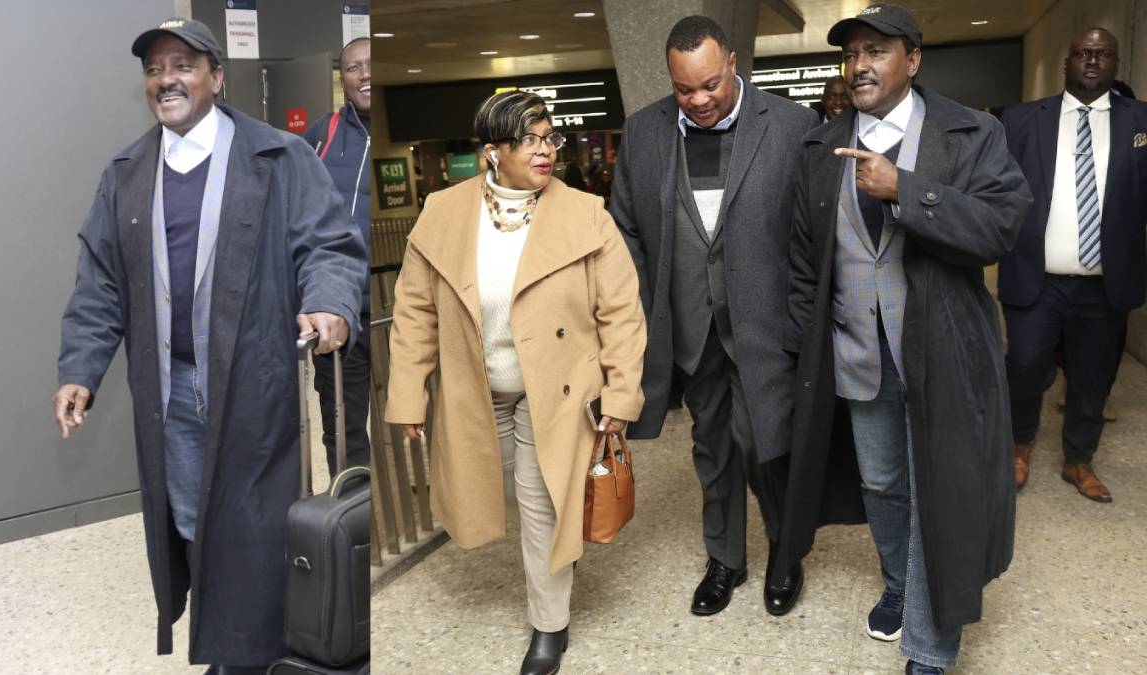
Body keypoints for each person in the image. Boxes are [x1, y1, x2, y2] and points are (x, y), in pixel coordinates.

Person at [52, 18, 367, 672]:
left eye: (183, 66)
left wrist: (330, 301)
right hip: (170, 389)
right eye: (154, 69)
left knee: (256, 524)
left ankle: (252, 652)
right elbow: (100, 283)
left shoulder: (279, 156)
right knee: (194, 520)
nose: (166, 80)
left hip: (256, 381)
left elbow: (328, 244)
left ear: (217, 78)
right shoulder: (127, 174)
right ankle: (231, 644)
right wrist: (80, 369)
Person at [777, 4, 1032, 673]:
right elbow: (805, 257)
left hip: (941, 351)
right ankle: (898, 582)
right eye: (851, 54)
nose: (858, 65)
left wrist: (906, 190)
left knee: (937, 493)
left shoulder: (970, 132)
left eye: (876, 51)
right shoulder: (819, 146)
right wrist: (808, 345)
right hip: (857, 354)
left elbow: (1000, 227)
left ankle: (929, 642)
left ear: (912, 60)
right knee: (883, 483)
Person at [384, 91, 646, 675]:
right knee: (491, 493)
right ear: (492, 152)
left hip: (556, 390)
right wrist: (407, 393)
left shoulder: (586, 213)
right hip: (476, 389)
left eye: (549, 138)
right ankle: (560, 553)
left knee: (542, 505)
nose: (544, 150)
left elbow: (622, 313)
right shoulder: (443, 212)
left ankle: (549, 625)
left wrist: (622, 393)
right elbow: (415, 311)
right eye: (527, 140)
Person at [609, 15, 817, 618]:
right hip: (690, 327)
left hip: (765, 327)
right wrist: (646, 315)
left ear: (731, 63)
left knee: (765, 444)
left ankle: (784, 552)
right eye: (684, 89)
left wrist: (802, 320)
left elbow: (810, 234)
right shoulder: (644, 131)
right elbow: (626, 230)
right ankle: (725, 558)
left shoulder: (792, 125)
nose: (698, 100)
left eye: (709, 85)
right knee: (713, 445)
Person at [998, 28, 1147, 502]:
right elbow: (997, 190)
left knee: (1093, 376)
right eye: (1083, 53)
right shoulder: (1021, 120)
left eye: (1102, 54)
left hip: (1105, 283)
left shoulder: (1141, 120)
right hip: (1036, 279)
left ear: (1115, 64)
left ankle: (1078, 459)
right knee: (1024, 367)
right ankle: (1018, 447)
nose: (1092, 61)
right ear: (1067, 62)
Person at [304, 36, 373, 473]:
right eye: (353, 67)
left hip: (399, 314)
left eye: (372, 63)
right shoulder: (321, 136)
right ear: (342, 78)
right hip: (340, 315)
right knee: (343, 432)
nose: (365, 75)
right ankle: (352, 507)